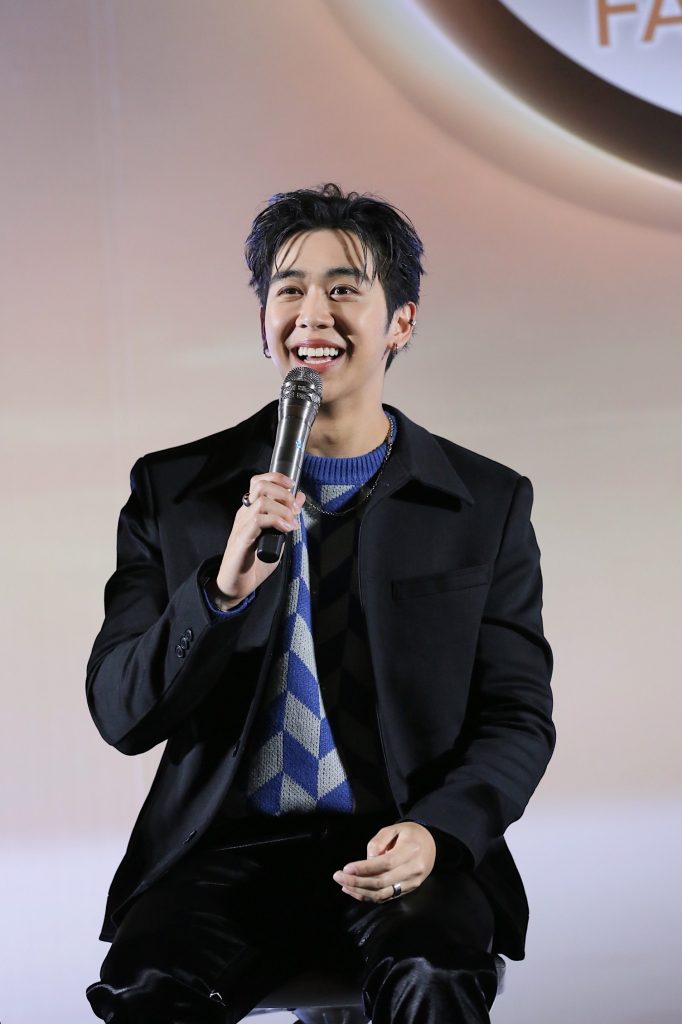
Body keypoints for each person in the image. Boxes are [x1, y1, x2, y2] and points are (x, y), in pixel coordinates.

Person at [85, 183, 555, 1024]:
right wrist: (218, 593)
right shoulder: (175, 491)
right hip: (226, 853)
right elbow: (122, 714)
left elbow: (518, 715)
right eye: (289, 289)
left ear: (400, 321)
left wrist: (440, 833)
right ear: (263, 318)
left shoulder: (483, 503)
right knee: (148, 991)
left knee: (434, 974)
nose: (313, 314)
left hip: (400, 843)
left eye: (344, 289)